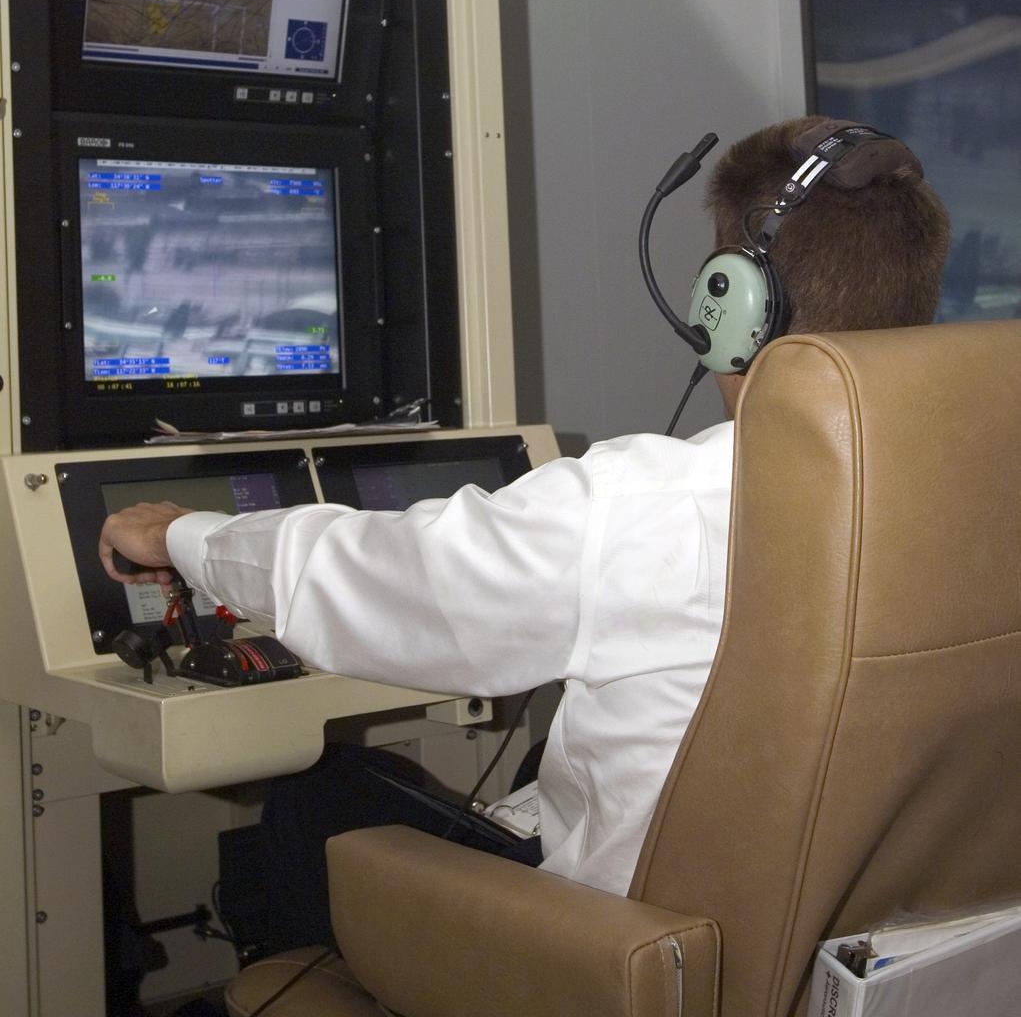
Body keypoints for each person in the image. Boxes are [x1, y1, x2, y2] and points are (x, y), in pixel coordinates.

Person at [98, 115, 950, 938]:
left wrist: (181, 537)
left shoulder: (640, 503)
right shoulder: (976, 484)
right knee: (546, 761)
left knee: (314, 796)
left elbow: (376, 584)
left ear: (732, 307)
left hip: (631, 951)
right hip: (876, 939)